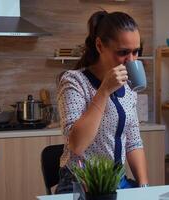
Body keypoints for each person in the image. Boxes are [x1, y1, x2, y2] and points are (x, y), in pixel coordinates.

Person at [55, 10, 149, 194]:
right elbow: (77, 144)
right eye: (123, 52)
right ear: (100, 45)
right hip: (80, 183)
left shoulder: (129, 87)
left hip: (116, 182)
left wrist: (144, 188)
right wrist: (104, 90)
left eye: (136, 52)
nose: (131, 60)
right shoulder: (74, 81)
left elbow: (133, 142)